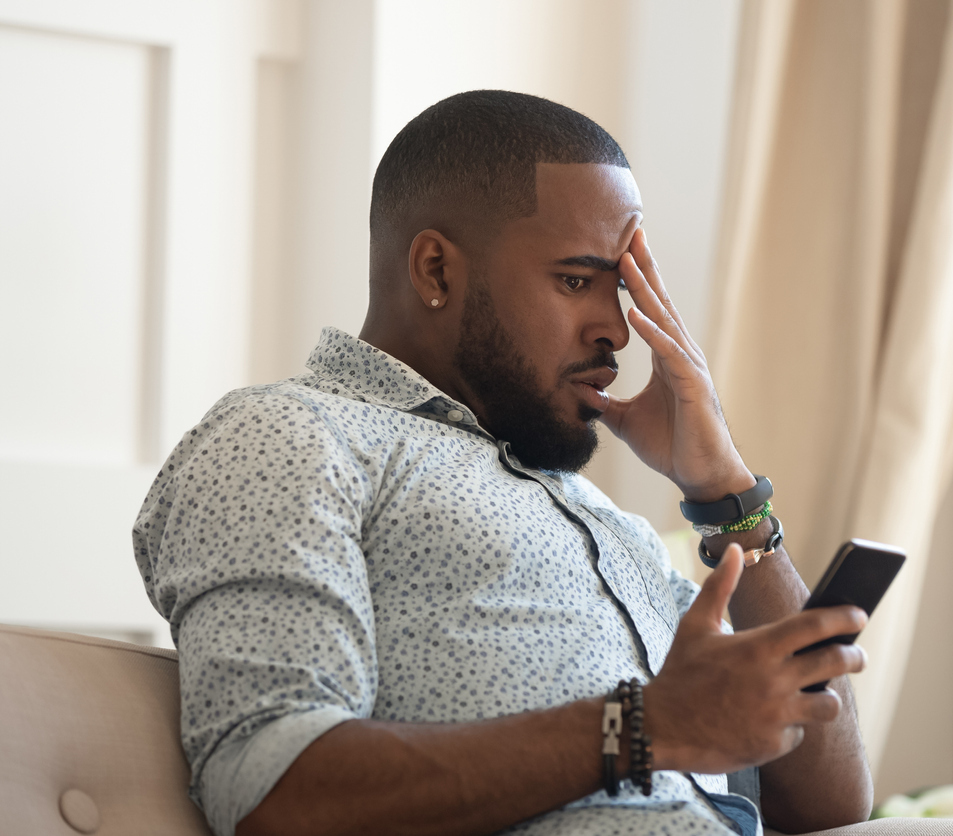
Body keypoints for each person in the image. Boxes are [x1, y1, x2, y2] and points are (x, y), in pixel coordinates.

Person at [133, 90, 872, 836]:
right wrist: (643, 729)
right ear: (435, 270)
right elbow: (271, 794)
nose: (618, 330)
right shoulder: (287, 435)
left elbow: (827, 803)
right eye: (577, 280)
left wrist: (726, 493)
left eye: (621, 290)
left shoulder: (605, 524)